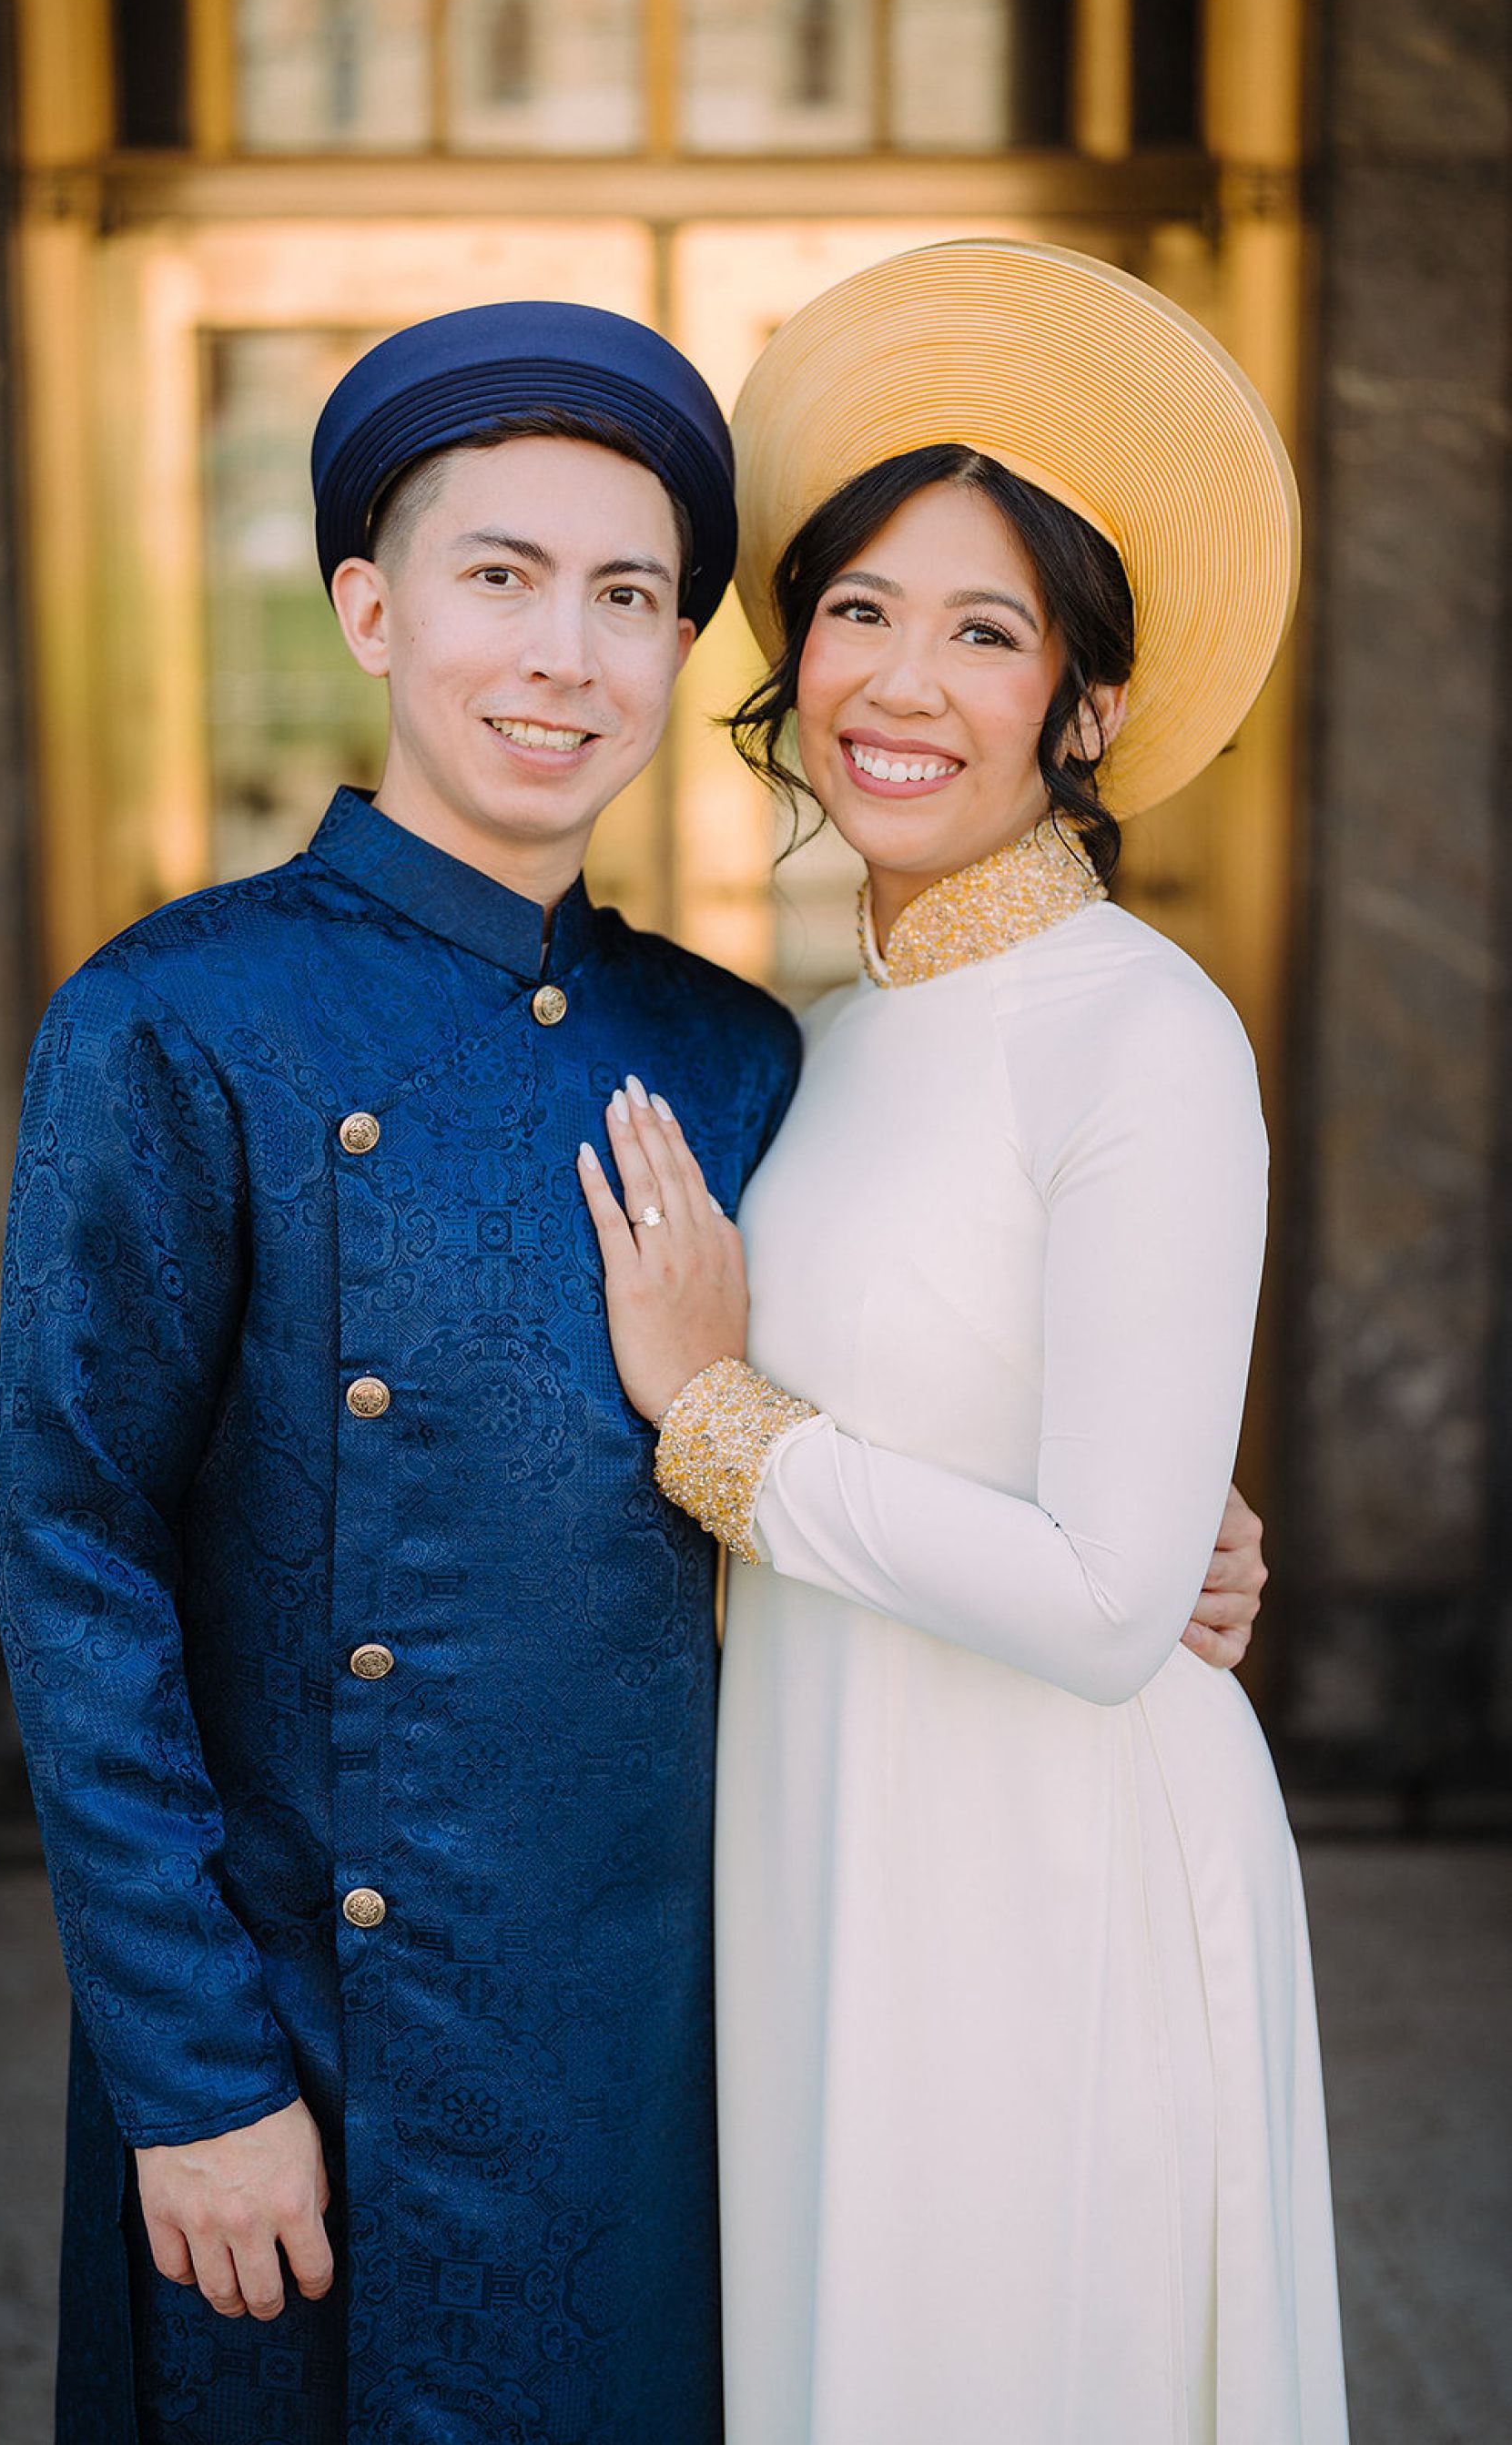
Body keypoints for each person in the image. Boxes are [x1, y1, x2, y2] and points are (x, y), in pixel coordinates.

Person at [0, 294, 1263, 2445]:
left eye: (630, 598)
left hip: (679, 2057)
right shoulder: (173, 1019)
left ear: (687, 651)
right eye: (499, 579)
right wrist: (192, 2075)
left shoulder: (737, 1051)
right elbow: (75, 1559)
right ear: (371, 607)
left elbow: (898, 1366)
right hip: (312, 2055)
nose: (561, 657)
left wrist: (1166, 1530)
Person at [576, 242, 1347, 2443]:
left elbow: (1113, 1612)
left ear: (1087, 707)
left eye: (986, 629)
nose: (899, 682)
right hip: (837, 1859)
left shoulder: (1140, 1034)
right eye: (861, 611)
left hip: (1050, 1883)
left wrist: (724, 1431)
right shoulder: (816, 1041)